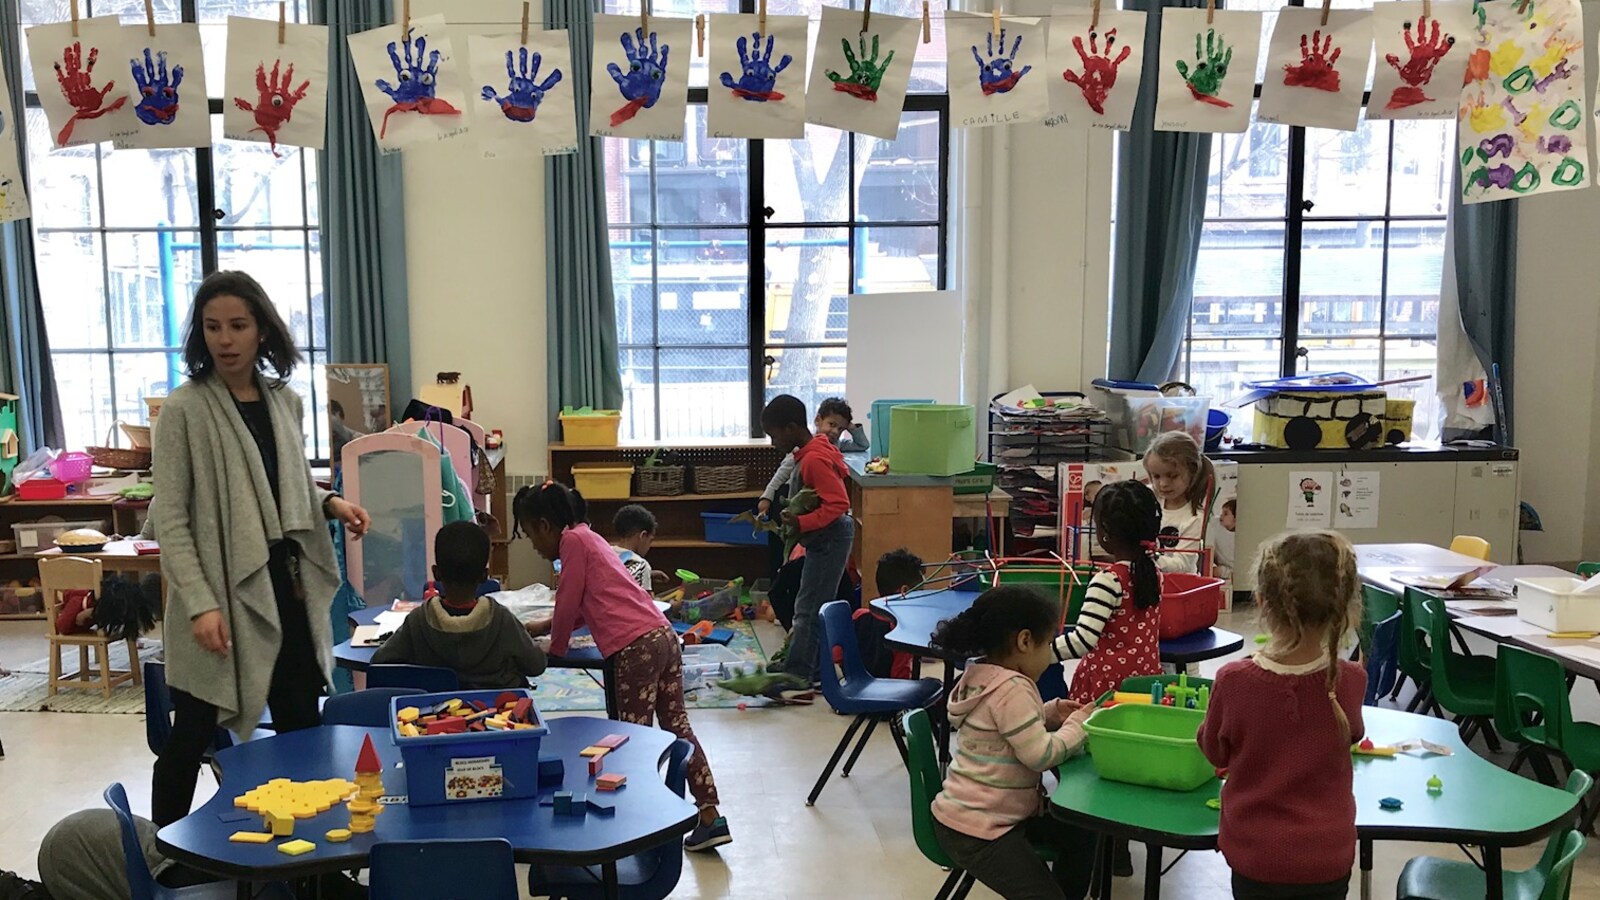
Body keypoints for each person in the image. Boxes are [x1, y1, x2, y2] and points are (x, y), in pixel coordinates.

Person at [150, 271, 371, 828]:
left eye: (238, 326)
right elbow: (171, 517)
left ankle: (310, 857)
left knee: (301, 720)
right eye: (213, 327)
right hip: (219, 590)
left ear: (262, 332)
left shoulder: (284, 402)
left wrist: (329, 505)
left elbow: (286, 483)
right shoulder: (185, 409)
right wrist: (199, 603)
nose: (225, 339)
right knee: (195, 729)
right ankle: (162, 853)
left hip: (283, 583)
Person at [516, 482, 732, 852]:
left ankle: (639, 828)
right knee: (677, 726)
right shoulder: (590, 538)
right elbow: (589, 602)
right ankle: (710, 815)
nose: (534, 545)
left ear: (544, 525)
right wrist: (541, 626)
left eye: (530, 533)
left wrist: (554, 646)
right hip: (661, 636)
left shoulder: (570, 544)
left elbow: (568, 600)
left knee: (634, 740)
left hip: (636, 648)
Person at [1198, 531, 1366, 900]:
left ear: (1260, 603)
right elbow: (1350, 733)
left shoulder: (1234, 680)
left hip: (1257, 855)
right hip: (1328, 857)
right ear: (1342, 610)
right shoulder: (1351, 678)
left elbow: (1214, 752)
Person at [930, 584, 1098, 900]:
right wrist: (1076, 727)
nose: (1050, 655)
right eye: (1047, 644)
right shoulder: (1013, 689)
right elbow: (1041, 755)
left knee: (1080, 830)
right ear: (1024, 641)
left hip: (972, 816)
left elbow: (998, 727)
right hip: (979, 830)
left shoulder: (982, 674)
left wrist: (1049, 713)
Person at [371, 521, 547, 690]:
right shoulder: (501, 619)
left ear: (436, 573)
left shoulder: (418, 620)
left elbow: (380, 661)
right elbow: (536, 666)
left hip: (434, 714)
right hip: (498, 715)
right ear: (484, 575)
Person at [760, 394, 853, 686]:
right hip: (824, 539)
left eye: (774, 435)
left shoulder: (813, 458)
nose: (774, 443)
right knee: (808, 604)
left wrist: (801, 522)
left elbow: (838, 503)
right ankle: (807, 666)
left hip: (831, 539)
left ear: (790, 428)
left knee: (809, 608)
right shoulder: (810, 451)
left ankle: (799, 672)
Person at [1054, 480, 1164, 706]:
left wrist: (1039, 654)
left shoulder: (1108, 580)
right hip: (1146, 681)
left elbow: (1082, 641)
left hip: (1107, 688)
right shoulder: (1153, 571)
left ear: (1105, 532)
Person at [756, 397, 869, 519]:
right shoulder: (802, 449)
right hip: (791, 495)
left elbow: (862, 445)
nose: (835, 431)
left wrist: (852, 427)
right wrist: (767, 496)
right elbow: (781, 474)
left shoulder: (835, 445)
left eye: (841, 429)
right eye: (832, 424)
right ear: (818, 420)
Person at [1142, 431, 1216, 574]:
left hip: (1180, 585)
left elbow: (1182, 564)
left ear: (1192, 471)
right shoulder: (1146, 496)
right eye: (1156, 476)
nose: (1163, 484)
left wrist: (1151, 558)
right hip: (1149, 579)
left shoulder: (1194, 517)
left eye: (1172, 476)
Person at [611, 504, 667, 591]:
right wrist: (674, 604)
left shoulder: (606, 552)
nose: (649, 546)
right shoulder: (641, 565)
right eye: (650, 540)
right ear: (643, 535)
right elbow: (647, 603)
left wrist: (649, 574)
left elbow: (617, 576)